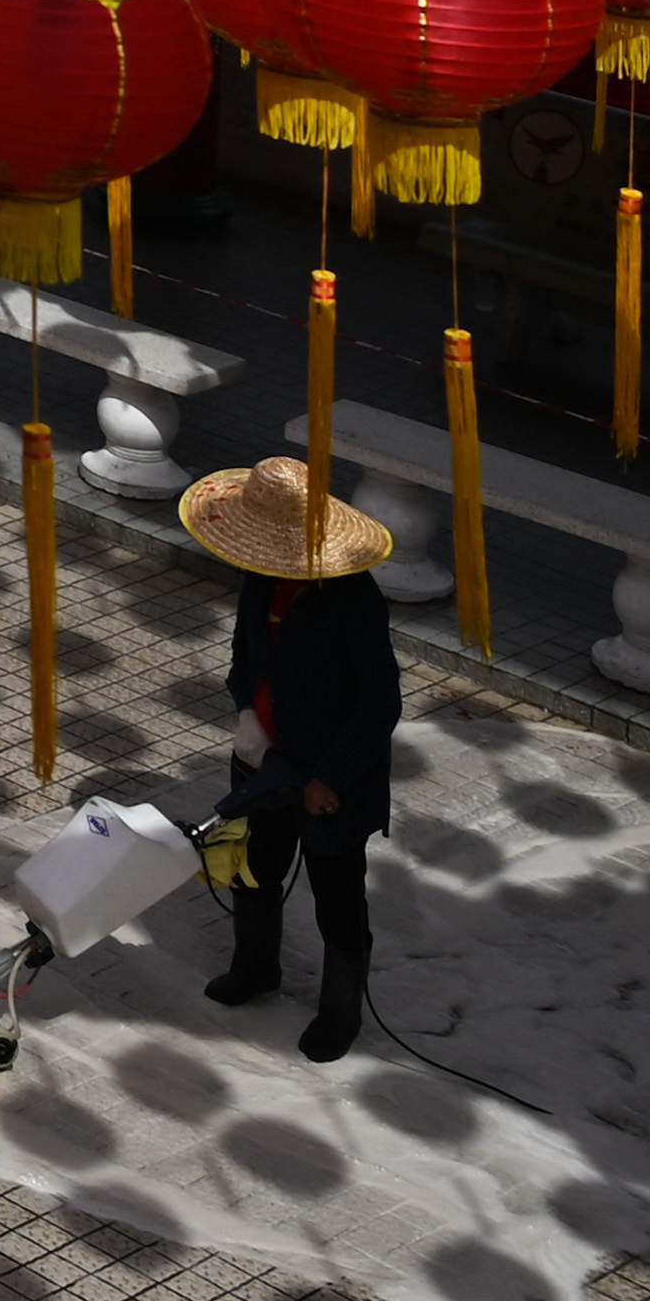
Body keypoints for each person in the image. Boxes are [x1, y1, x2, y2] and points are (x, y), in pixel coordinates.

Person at [180, 451, 399, 1063]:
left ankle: (340, 1010)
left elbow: (381, 703)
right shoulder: (258, 579)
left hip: (331, 778)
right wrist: (247, 713)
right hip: (262, 760)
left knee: (336, 892)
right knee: (255, 867)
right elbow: (244, 658)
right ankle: (255, 967)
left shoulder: (355, 601)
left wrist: (332, 775)